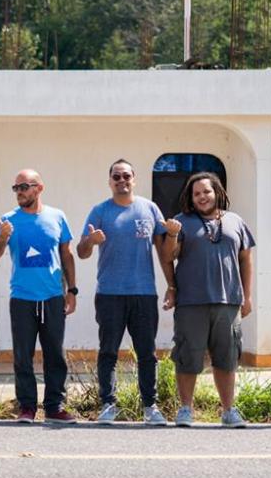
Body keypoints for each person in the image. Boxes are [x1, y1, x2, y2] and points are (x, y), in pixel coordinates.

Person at [77, 159, 174, 426]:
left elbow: (164, 252)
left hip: (144, 293)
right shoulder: (100, 211)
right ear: (110, 181)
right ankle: (108, 405)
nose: (122, 181)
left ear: (134, 179)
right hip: (109, 294)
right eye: (117, 177)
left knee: (147, 353)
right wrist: (90, 241)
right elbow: (81, 252)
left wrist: (172, 285)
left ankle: (150, 407)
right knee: (108, 352)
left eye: (126, 176)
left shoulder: (150, 209)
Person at [160, 172, 254, 428]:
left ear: (217, 192)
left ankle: (228, 411)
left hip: (228, 301)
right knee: (188, 356)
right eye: (197, 193)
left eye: (206, 192)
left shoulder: (235, 221)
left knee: (227, 357)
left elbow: (246, 260)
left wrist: (247, 296)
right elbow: (168, 256)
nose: (202, 197)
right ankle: (185, 409)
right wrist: (172, 235)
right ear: (190, 198)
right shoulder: (181, 222)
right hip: (191, 302)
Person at [0, 169, 78, 424]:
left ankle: (55, 406)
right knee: (22, 356)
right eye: (16, 188)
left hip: (52, 297)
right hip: (22, 298)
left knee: (55, 355)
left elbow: (67, 254)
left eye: (24, 187)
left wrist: (72, 290)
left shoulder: (57, 217)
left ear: (39, 188)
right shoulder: (8, 220)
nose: (19, 192)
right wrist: (3, 237)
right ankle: (27, 407)